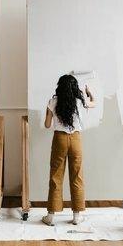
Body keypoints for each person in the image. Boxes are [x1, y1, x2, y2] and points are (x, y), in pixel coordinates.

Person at [41, 74, 96, 226]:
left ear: (60, 86)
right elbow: (93, 103)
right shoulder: (79, 101)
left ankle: (51, 216)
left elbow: (46, 125)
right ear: (74, 87)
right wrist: (89, 92)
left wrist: (51, 116)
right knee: (77, 175)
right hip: (76, 139)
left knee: (56, 175)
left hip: (59, 139)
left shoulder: (52, 102)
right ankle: (77, 216)